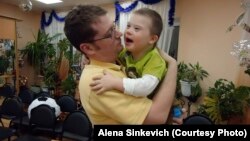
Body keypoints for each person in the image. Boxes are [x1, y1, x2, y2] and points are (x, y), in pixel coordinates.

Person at [64, 5, 183, 124]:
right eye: (110, 32)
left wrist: (87, 56)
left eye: (114, 26)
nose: (120, 33)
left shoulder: (119, 59)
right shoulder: (97, 81)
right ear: (88, 48)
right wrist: (172, 65)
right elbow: (156, 118)